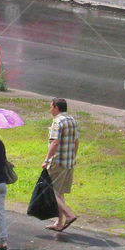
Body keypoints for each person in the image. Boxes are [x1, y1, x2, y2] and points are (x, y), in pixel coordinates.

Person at [43, 97, 78, 231]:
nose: (50, 109)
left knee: (51, 190)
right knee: (59, 192)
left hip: (57, 161)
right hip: (69, 162)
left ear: (56, 108)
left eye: (51, 107)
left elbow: (55, 142)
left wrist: (46, 160)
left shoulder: (57, 122)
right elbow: (76, 141)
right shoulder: (72, 120)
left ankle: (69, 215)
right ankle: (59, 223)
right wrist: (73, 156)